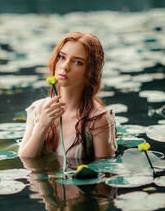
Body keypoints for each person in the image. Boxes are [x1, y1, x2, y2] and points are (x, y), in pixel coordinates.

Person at [19, 31, 117, 159]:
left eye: (78, 62)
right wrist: (42, 125)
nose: (65, 66)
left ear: (90, 72)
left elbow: (105, 171)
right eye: (62, 57)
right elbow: (25, 159)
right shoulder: (36, 110)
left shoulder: (98, 119)